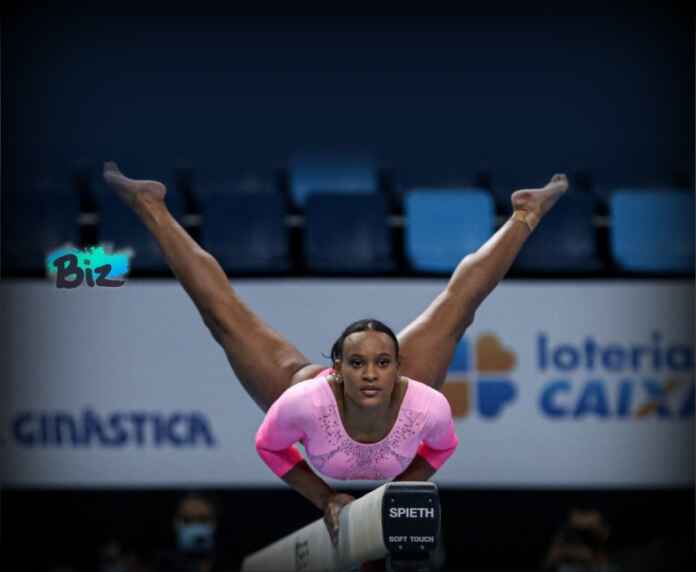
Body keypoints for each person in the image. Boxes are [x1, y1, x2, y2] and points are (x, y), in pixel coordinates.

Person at [102, 161, 568, 566]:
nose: (369, 374)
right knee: (223, 316)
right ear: (337, 370)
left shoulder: (424, 405)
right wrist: (325, 499)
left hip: (400, 398)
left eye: (383, 362)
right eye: (358, 364)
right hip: (307, 390)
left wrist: (399, 493)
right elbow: (270, 448)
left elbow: (441, 449)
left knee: (459, 306)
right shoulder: (302, 402)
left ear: (397, 366)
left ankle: (526, 213)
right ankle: (150, 205)